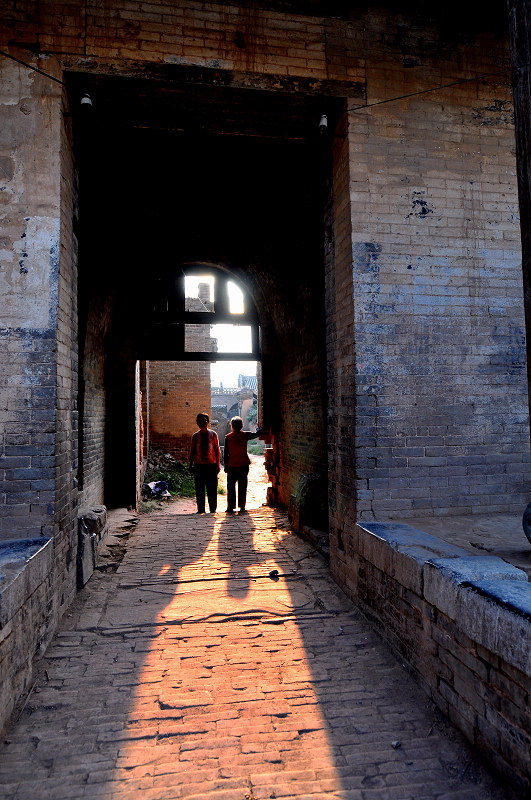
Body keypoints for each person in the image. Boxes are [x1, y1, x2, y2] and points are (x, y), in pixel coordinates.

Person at [223, 416, 257, 513]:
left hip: (232, 466)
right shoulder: (245, 435)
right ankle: (242, 506)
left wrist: (225, 466)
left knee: (231, 487)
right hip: (243, 465)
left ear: (232, 426)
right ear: (242, 426)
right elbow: (257, 434)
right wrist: (259, 427)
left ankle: (230, 507)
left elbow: (226, 454)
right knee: (242, 486)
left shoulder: (228, 437)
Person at [189, 412, 220, 513]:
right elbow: (192, 451)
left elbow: (217, 451)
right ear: (197, 423)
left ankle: (213, 510)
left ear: (208, 422)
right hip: (198, 466)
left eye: (204, 421)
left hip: (211, 465)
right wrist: (191, 465)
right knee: (199, 489)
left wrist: (218, 465)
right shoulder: (195, 436)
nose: (202, 423)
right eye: (200, 421)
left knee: (212, 489)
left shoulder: (213, 434)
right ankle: (201, 510)